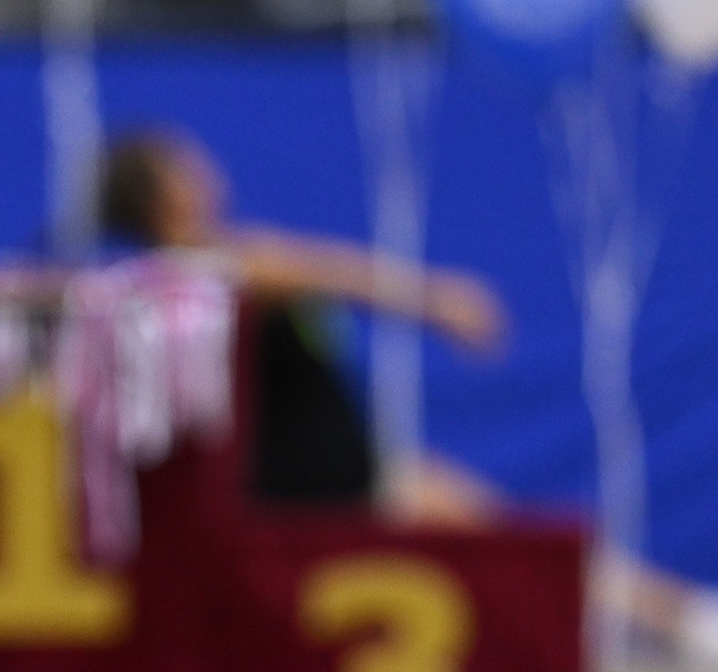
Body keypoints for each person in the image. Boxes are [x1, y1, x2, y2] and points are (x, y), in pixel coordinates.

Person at [97, 129, 507, 520]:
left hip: (338, 467)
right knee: (474, 528)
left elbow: (294, 261)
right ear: (165, 194)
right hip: (306, 482)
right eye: (183, 163)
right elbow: (324, 272)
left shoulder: (224, 255)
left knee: (472, 507)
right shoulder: (198, 273)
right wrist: (437, 302)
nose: (203, 166)